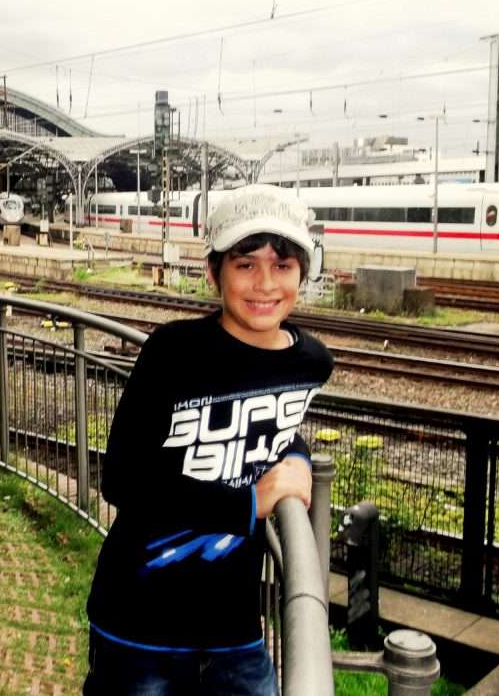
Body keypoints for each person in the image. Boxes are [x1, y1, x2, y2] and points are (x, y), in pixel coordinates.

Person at [84, 185, 333, 695]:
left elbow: (270, 424)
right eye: (245, 265)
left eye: (282, 266)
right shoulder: (173, 352)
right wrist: (249, 502)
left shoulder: (310, 362)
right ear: (214, 271)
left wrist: (299, 456)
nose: (265, 283)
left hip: (233, 628)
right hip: (137, 623)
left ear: (302, 274)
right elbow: (123, 479)